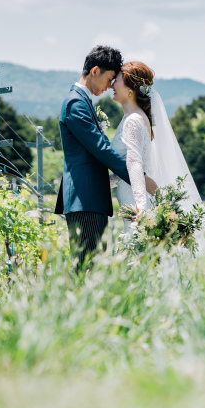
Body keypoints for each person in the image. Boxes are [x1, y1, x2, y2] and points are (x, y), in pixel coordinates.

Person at [54, 46, 158, 268]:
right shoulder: (76, 103)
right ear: (95, 71)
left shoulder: (83, 101)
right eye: (110, 78)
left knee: (91, 267)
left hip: (91, 199)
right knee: (86, 268)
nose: (110, 85)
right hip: (85, 199)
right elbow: (101, 150)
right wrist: (138, 176)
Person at [110, 60, 205, 252]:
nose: (112, 84)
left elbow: (135, 163)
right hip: (135, 196)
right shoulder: (136, 117)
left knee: (137, 258)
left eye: (117, 80)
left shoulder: (133, 120)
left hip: (136, 204)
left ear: (131, 89)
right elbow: (127, 169)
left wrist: (140, 207)